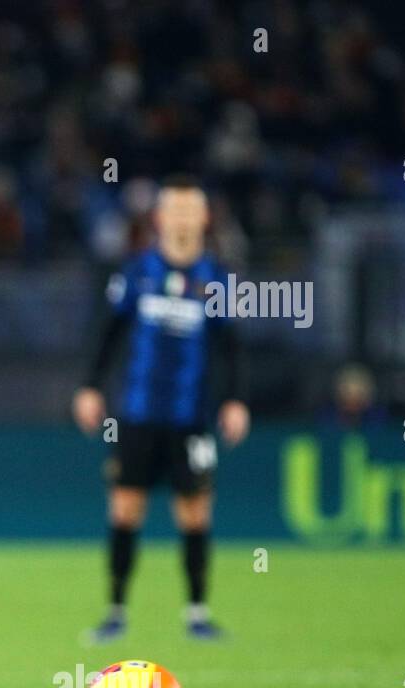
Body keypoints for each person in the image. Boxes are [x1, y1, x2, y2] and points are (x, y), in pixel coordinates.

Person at [73, 174, 249, 642]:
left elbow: (230, 346)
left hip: (191, 418)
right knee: (125, 509)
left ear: (205, 218)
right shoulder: (137, 271)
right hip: (137, 414)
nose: (184, 217)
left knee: (195, 512)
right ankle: (115, 610)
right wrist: (90, 386)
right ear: (160, 217)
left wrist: (234, 401)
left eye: (193, 209)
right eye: (176, 209)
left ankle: (196, 612)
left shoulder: (216, 278)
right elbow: (108, 332)